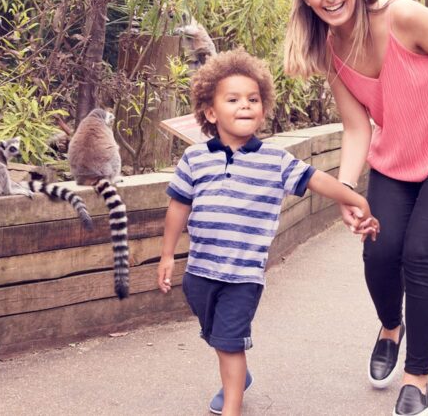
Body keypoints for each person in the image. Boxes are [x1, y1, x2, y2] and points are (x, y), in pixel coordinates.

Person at [284, 0, 428, 416]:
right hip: (396, 158)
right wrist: (345, 190)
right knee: (379, 251)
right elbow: (357, 127)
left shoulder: (403, 17)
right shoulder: (330, 48)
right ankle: (390, 328)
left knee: (420, 255)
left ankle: (417, 377)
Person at [157, 48, 378, 415]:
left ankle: (232, 404)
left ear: (262, 109)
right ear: (210, 113)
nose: (245, 105)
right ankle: (238, 377)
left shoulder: (275, 161)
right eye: (233, 99)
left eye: (253, 99)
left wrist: (355, 198)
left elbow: (316, 179)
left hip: (243, 276)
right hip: (199, 272)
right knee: (217, 336)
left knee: (230, 342)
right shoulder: (194, 159)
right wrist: (167, 255)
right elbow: (178, 206)